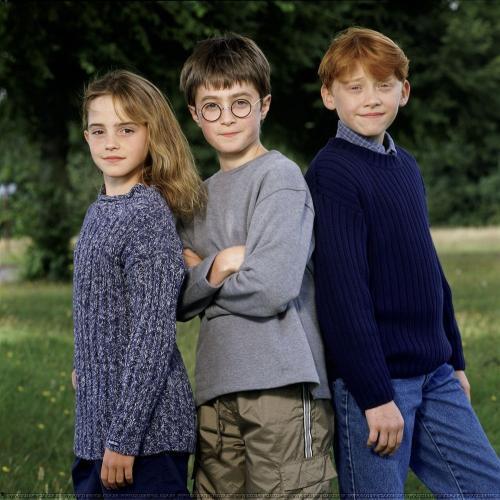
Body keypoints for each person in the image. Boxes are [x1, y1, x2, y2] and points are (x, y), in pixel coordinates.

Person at [305, 27, 500, 498]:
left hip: (435, 372)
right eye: (355, 87)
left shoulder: (405, 165)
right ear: (329, 96)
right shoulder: (332, 173)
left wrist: (454, 358)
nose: (372, 99)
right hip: (375, 382)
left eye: (384, 85)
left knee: (486, 487)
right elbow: (343, 294)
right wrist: (375, 395)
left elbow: (428, 270)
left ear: (404, 91)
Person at [177, 33, 335, 497]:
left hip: (280, 385)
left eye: (240, 103)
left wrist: (205, 279)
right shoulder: (196, 199)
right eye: (212, 106)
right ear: (194, 114)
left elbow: (271, 288)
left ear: (264, 105)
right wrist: (223, 264)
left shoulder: (279, 178)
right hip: (216, 387)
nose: (226, 117)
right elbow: (178, 298)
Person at [71, 69, 205, 498]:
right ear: (87, 137)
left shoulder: (146, 214)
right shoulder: (101, 210)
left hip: (146, 439)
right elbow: (100, 308)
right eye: (99, 130)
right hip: (98, 429)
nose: (110, 142)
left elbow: (152, 335)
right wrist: (83, 364)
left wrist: (124, 440)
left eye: (126, 129)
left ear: (152, 135)